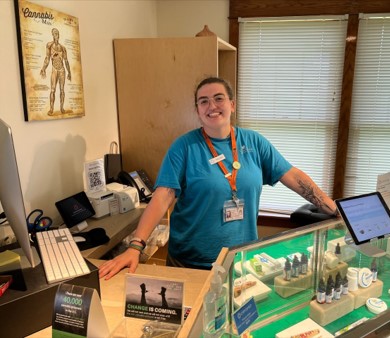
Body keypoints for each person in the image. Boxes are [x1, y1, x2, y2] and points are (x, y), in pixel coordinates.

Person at [99, 76, 337, 280]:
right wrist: (135, 246)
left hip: (239, 259)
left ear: (232, 104)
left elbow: (293, 176)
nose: (211, 105)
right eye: (203, 101)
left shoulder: (254, 143)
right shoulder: (184, 147)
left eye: (218, 98)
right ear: (197, 111)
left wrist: (333, 209)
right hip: (190, 263)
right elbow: (162, 197)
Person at [40, 28, 71, 116]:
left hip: (62, 70)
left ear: (59, 35)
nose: (55, 35)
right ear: (52, 35)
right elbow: (47, 58)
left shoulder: (63, 48)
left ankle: (61, 108)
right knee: (52, 90)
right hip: (54, 69)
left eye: (57, 33)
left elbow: (66, 61)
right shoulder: (49, 45)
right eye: (54, 34)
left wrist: (69, 72)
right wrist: (43, 68)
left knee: (62, 90)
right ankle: (51, 109)